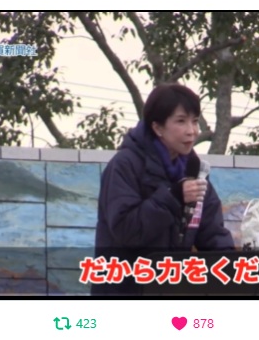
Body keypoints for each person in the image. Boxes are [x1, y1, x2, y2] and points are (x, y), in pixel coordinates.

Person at [91, 83, 235, 295]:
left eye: (195, 121)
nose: (192, 131)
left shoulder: (194, 170)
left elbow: (213, 235)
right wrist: (173, 197)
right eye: (181, 121)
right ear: (157, 127)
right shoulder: (125, 166)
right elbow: (125, 231)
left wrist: (233, 271)